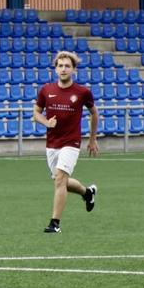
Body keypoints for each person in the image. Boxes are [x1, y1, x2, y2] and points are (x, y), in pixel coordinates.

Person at [33, 51, 99, 233]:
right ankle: (87, 192)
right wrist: (46, 122)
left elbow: (94, 113)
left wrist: (92, 139)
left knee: (60, 179)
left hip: (71, 142)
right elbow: (36, 112)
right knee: (60, 181)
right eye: (60, 65)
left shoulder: (82, 92)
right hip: (52, 143)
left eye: (67, 66)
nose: (63, 69)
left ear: (74, 70)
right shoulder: (46, 90)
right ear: (55, 68)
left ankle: (55, 223)